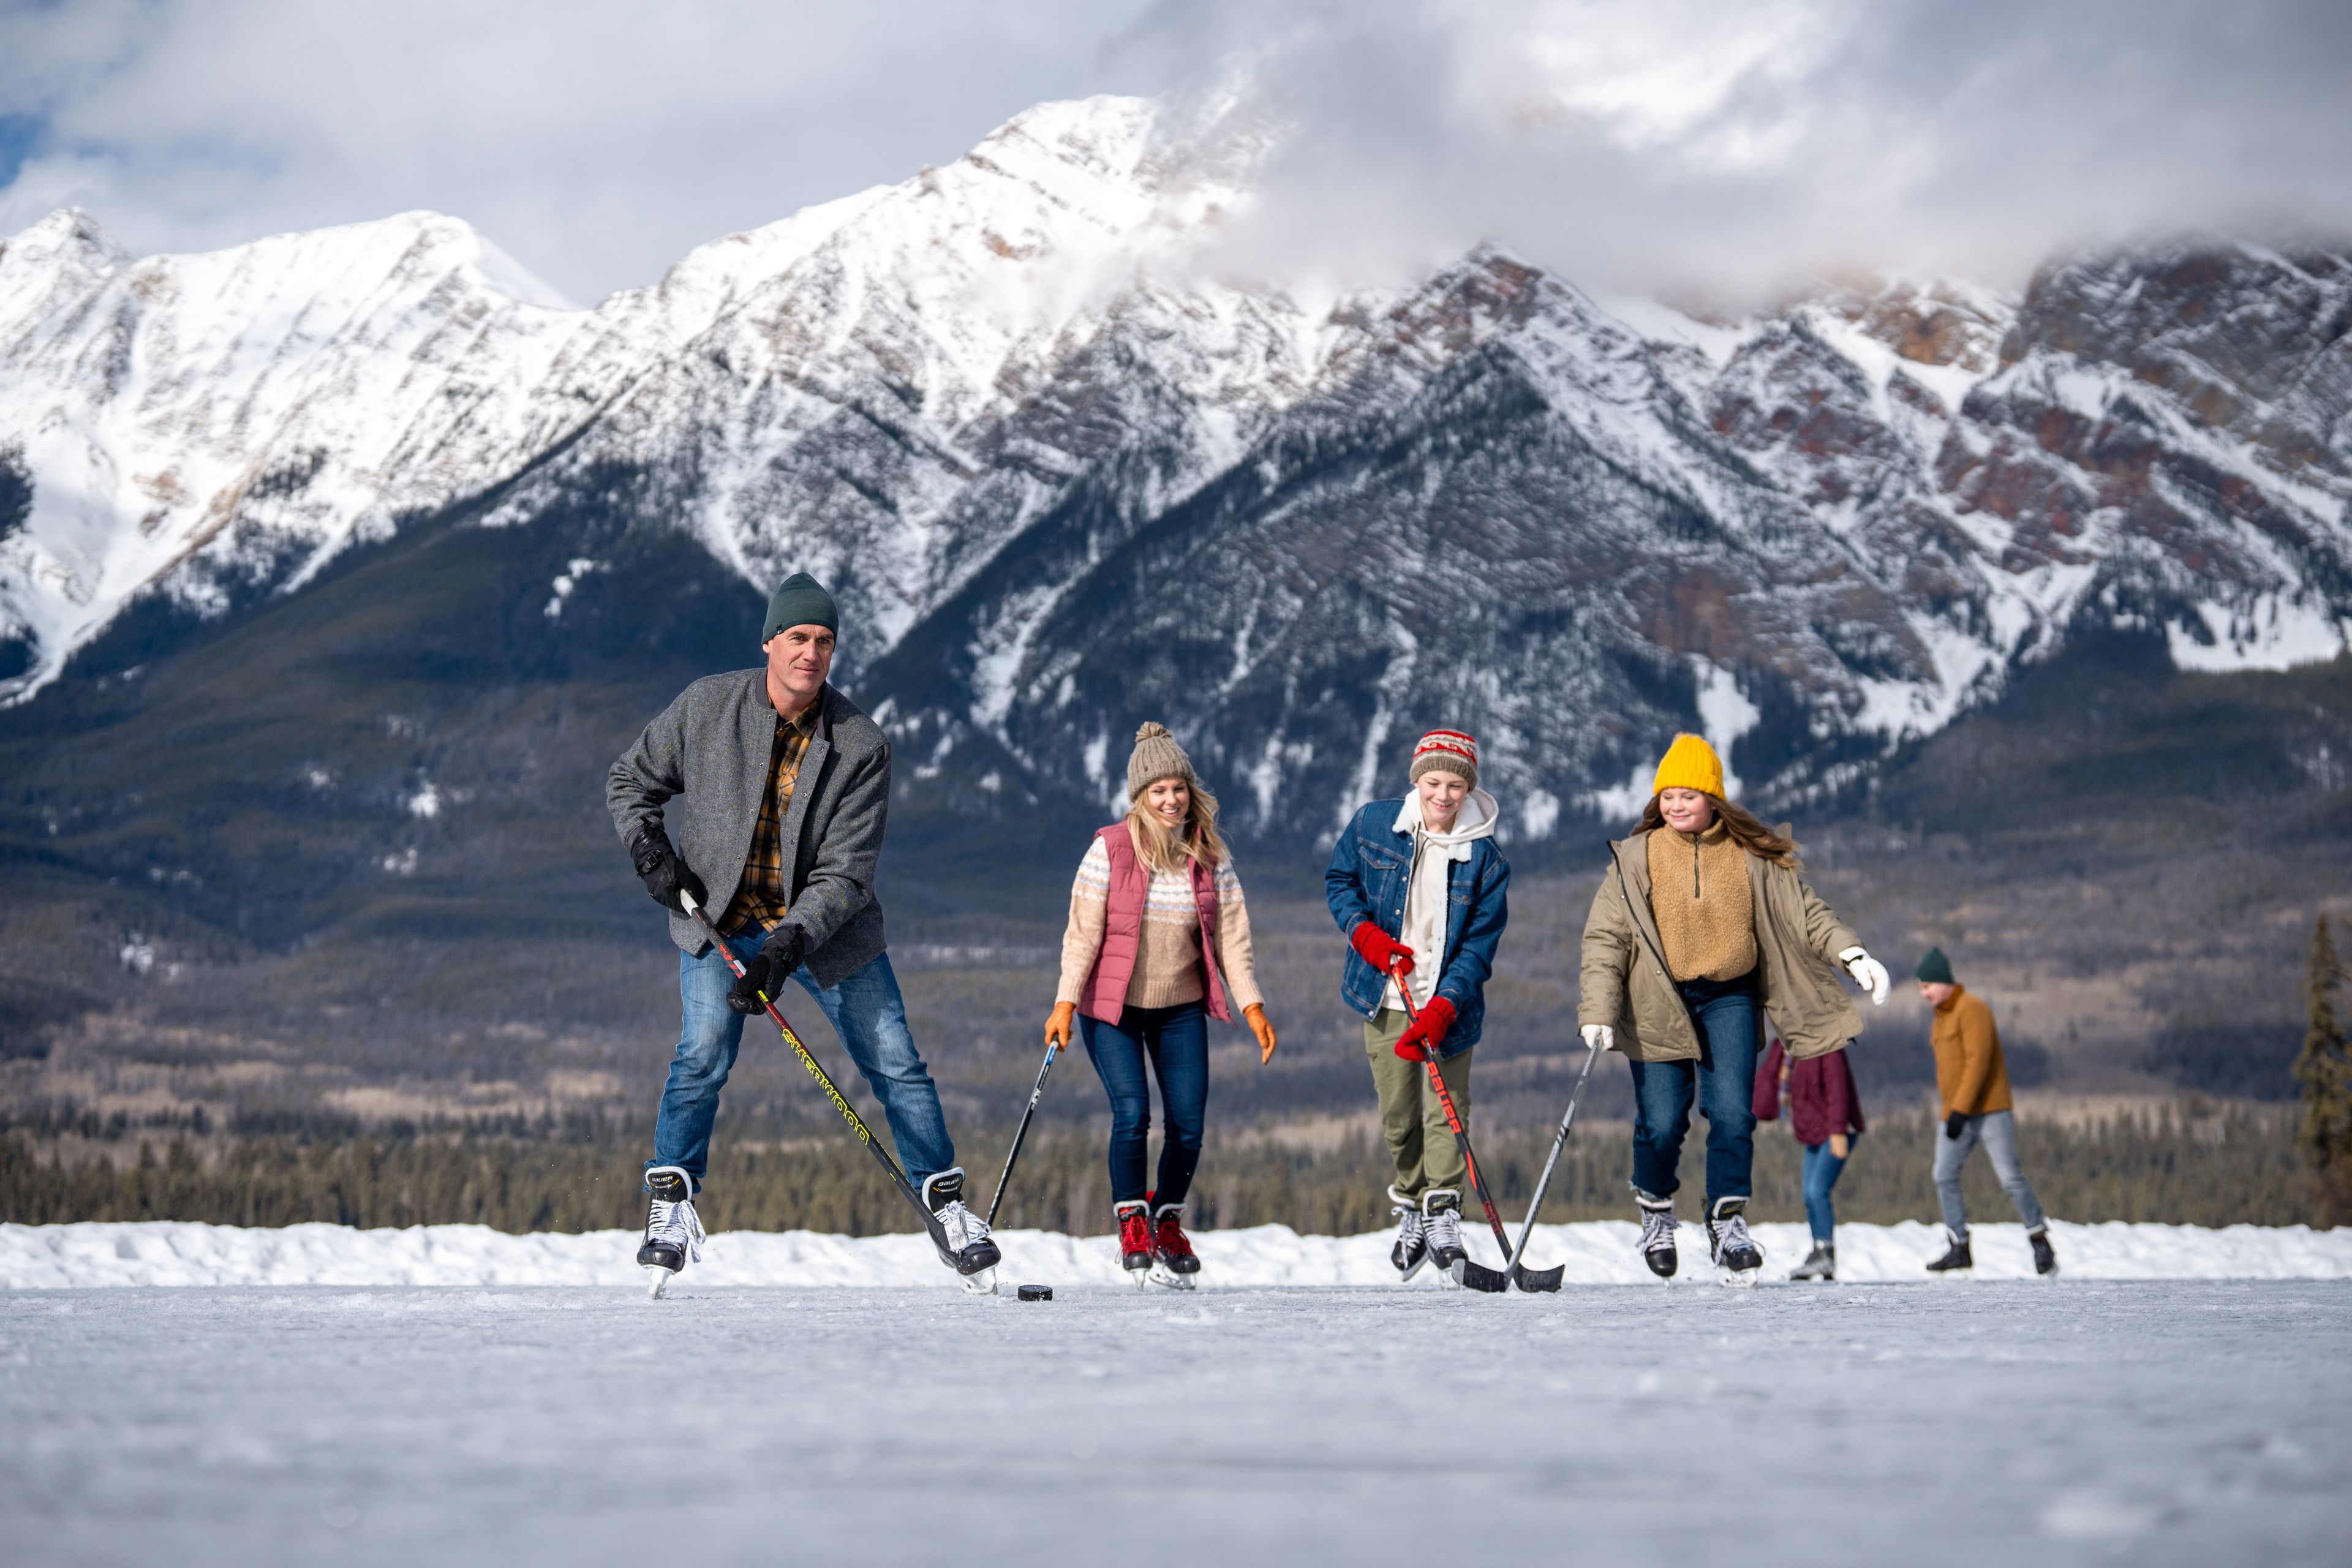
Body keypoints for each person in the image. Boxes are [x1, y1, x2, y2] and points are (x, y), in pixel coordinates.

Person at [606, 572, 999, 1291]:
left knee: (896, 1062)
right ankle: (670, 1201)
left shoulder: (861, 744)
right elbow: (630, 781)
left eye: (824, 641)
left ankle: (947, 1206)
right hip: (717, 924)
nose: (811, 652)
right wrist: (651, 853)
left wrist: (788, 945)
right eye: (799, 637)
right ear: (769, 642)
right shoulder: (707, 706)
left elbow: (847, 875)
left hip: (824, 937)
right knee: (700, 1056)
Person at [1578, 733, 1890, 1285]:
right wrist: (1598, 1010)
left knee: (1731, 1113)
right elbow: (1606, 938)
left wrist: (1852, 952)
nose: (1677, 805)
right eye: (1668, 795)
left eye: (1689, 795)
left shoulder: (1753, 857)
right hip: (1658, 1000)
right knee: (1663, 1121)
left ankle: (1726, 1219)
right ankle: (1655, 1210)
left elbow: (1807, 912)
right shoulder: (1635, 859)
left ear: (1713, 798)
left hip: (1730, 995)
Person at [1044, 723, 1278, 1288]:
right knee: (1132, 1115)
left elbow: (1233, 941)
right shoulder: (1111, 848)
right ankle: (1131, 1221)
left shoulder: (1209, 855)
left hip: (1179, 1008)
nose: (1171, 800)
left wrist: (1252, 1007)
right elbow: (1083, 934)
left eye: (1178, 789)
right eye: (1159, 791)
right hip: (1114, 1009)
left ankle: (1167, 1220)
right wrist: (1065, 1003)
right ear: (1140, 797)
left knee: (1189, 1124)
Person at [1324, 729, 1510, 1286]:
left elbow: (1478, 947)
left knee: (1446, 1112)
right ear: (1417, 780)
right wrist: (1366, 937)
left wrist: (1444, 1007)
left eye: (1455, 785)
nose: (1443, 795)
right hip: (1383, 995)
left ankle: (1443, 1210)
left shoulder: (1486, 858)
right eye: (1433, 782)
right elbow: (1340, 882)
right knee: (1400, 1117)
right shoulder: (1374, 825)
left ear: (1469, 787)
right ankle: (1411, 1202)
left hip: (1445, 1005)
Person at [1917, 946, 2059, 1277]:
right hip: (1955, 1114)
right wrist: (1952, 1112)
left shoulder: (1972, 1009)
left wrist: (1960, 1110)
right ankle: (1959, 1246)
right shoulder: (1941, 1017)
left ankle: (2039, 1239)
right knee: (1943, 1174)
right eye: (1921, 988)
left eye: (1928, 987)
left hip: (1989, 1111)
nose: (1924, 994)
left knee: (2010, 1176)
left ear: (1944, 981)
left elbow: (1978, 1063)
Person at [1752, 1033, 1865, 1280]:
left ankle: (1825, 1254)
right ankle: (1819, 1250)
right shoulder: (1787, 1050)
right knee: (1808, 1194)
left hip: (1837, 1130)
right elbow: (1766, 1088)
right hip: (1814, 1131)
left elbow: (1838, 1091)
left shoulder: (1827, 1045)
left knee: (1817, 1191)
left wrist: (1837, 1131)